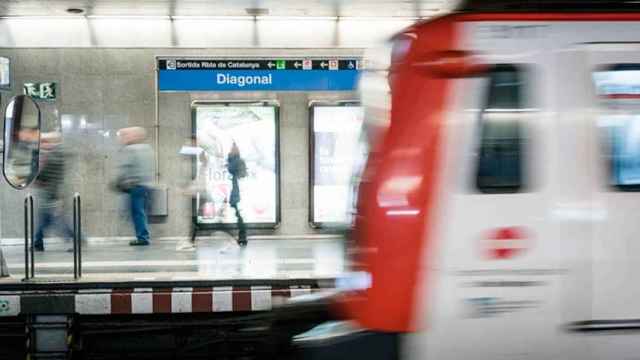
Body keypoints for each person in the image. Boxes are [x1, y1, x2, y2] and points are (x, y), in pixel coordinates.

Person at [34, 132, 74, 252]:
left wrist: (37, 177)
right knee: (46, 219)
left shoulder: (53, 156)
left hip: (51, 193)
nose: (41, 145)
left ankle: (78, 238)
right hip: (51, 192)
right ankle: (38, 242)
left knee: (56, 221)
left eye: (44, 142)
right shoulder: (55, 154)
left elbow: (42, 174)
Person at [116, 127, 153, 246]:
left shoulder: (130, 149)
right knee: (140, 212)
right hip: (146, 185)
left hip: (135, 186)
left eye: (125, 136)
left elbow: (126, 168)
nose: (123, 139)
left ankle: (142, 238)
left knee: (137, 213)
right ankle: (143, 235)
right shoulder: (148, 149)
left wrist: (120, 181)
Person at [226, 142, 247, 246]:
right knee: (238, 215)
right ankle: (242, 237)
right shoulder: (237, 160)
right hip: (236, 191)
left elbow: (232, 169)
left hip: (237, 192)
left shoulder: (236, 161)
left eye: (232, 149)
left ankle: (242, 237)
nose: (231, 150)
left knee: (239, 215)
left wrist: (229, 158)